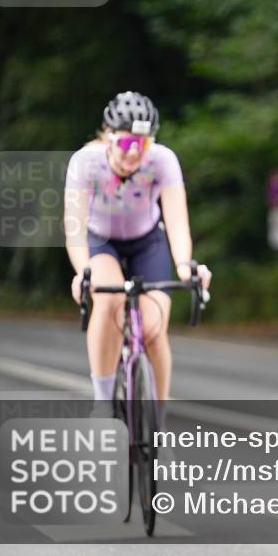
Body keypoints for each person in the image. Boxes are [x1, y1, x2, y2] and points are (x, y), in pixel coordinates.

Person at [63, 91, 211, 404]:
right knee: (109, 298)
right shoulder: (85, 162)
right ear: (109, 138)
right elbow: (74, 227)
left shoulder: (162, 160)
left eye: (143, 144)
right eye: (128, 143)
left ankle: (158, 428)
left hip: (147, 241)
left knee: (154, 331)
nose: (136, 154)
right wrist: (83, 272)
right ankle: (103, 405)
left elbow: (177, 219)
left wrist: (185, 265)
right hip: (101, 240)